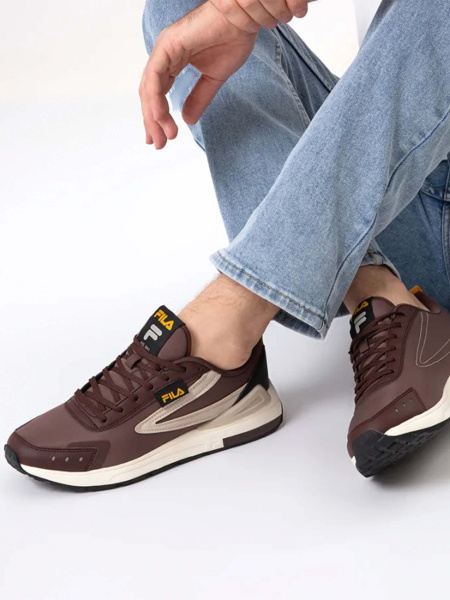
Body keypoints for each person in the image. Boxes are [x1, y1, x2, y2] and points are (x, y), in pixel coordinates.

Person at [5, 0, 450, 490]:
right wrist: (235, 10)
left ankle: (225, 327)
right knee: (184, 9)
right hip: (409, 172)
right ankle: (380, 294)